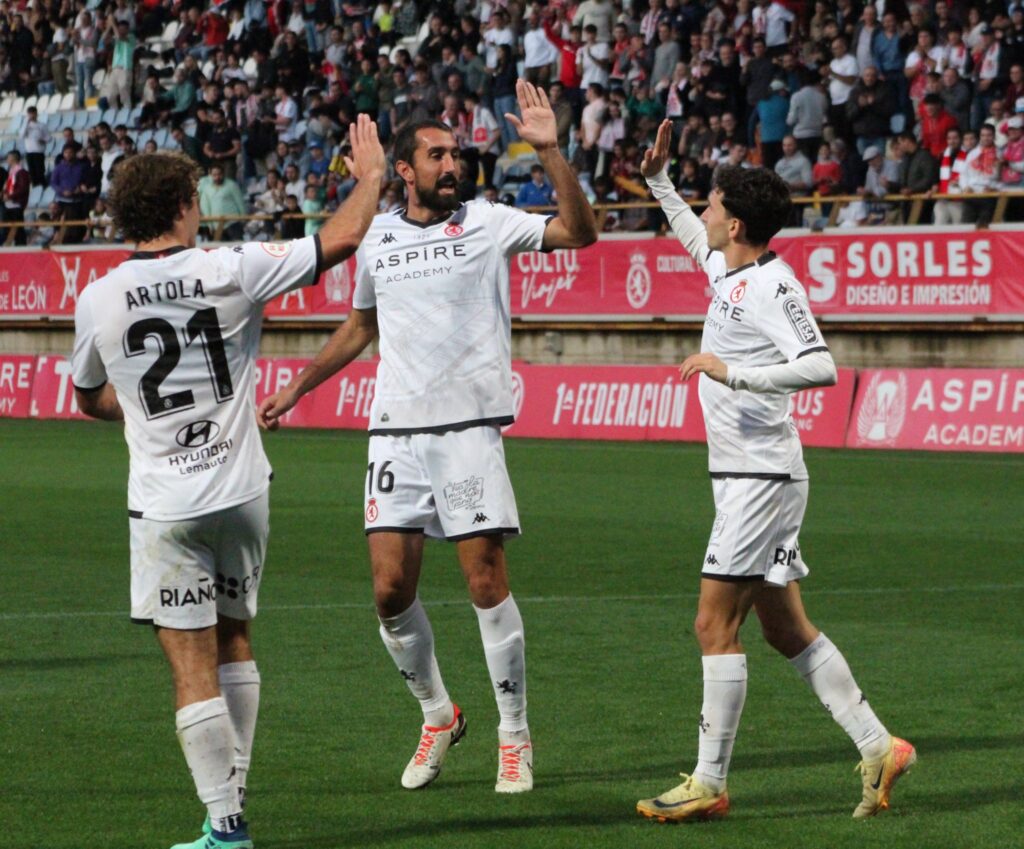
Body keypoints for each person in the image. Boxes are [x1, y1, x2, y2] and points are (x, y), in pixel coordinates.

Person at [257, 80, 597, 794]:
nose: (454, 164)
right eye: (437, 155)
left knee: (484, 580)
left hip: (468, 428)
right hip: (394, 432)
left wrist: (551, 151)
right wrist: (296, 386)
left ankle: (514, 734)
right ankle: (439, 714)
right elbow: (361, 327)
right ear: (403, 171)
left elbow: (579, 231)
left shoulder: (489, 221)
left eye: (457, 154)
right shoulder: (376, 236)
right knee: (388, 591)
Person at [69, 115, 386, 849]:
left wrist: (139, 411)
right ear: (185, 203)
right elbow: (336, 242)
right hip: (244, 492)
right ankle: (228, 805)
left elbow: (87, 396)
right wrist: (368, 177)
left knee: (190, 660)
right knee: (236, 636)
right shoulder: (231, 267)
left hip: (166, 504)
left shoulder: (99, 298)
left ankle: (227, 823)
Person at [634, 118, 916, 824]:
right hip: (749, 475)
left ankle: (708, 780)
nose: (704, 213)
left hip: (760, 478)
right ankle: (880, 746)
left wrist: (735, 374)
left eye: (711, 203)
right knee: (784, 628)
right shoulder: (731, 269)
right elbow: (689, 234)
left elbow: (820, 365)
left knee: (710, 622)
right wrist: (658, 179)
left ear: (735, 221)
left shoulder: (773, 284)